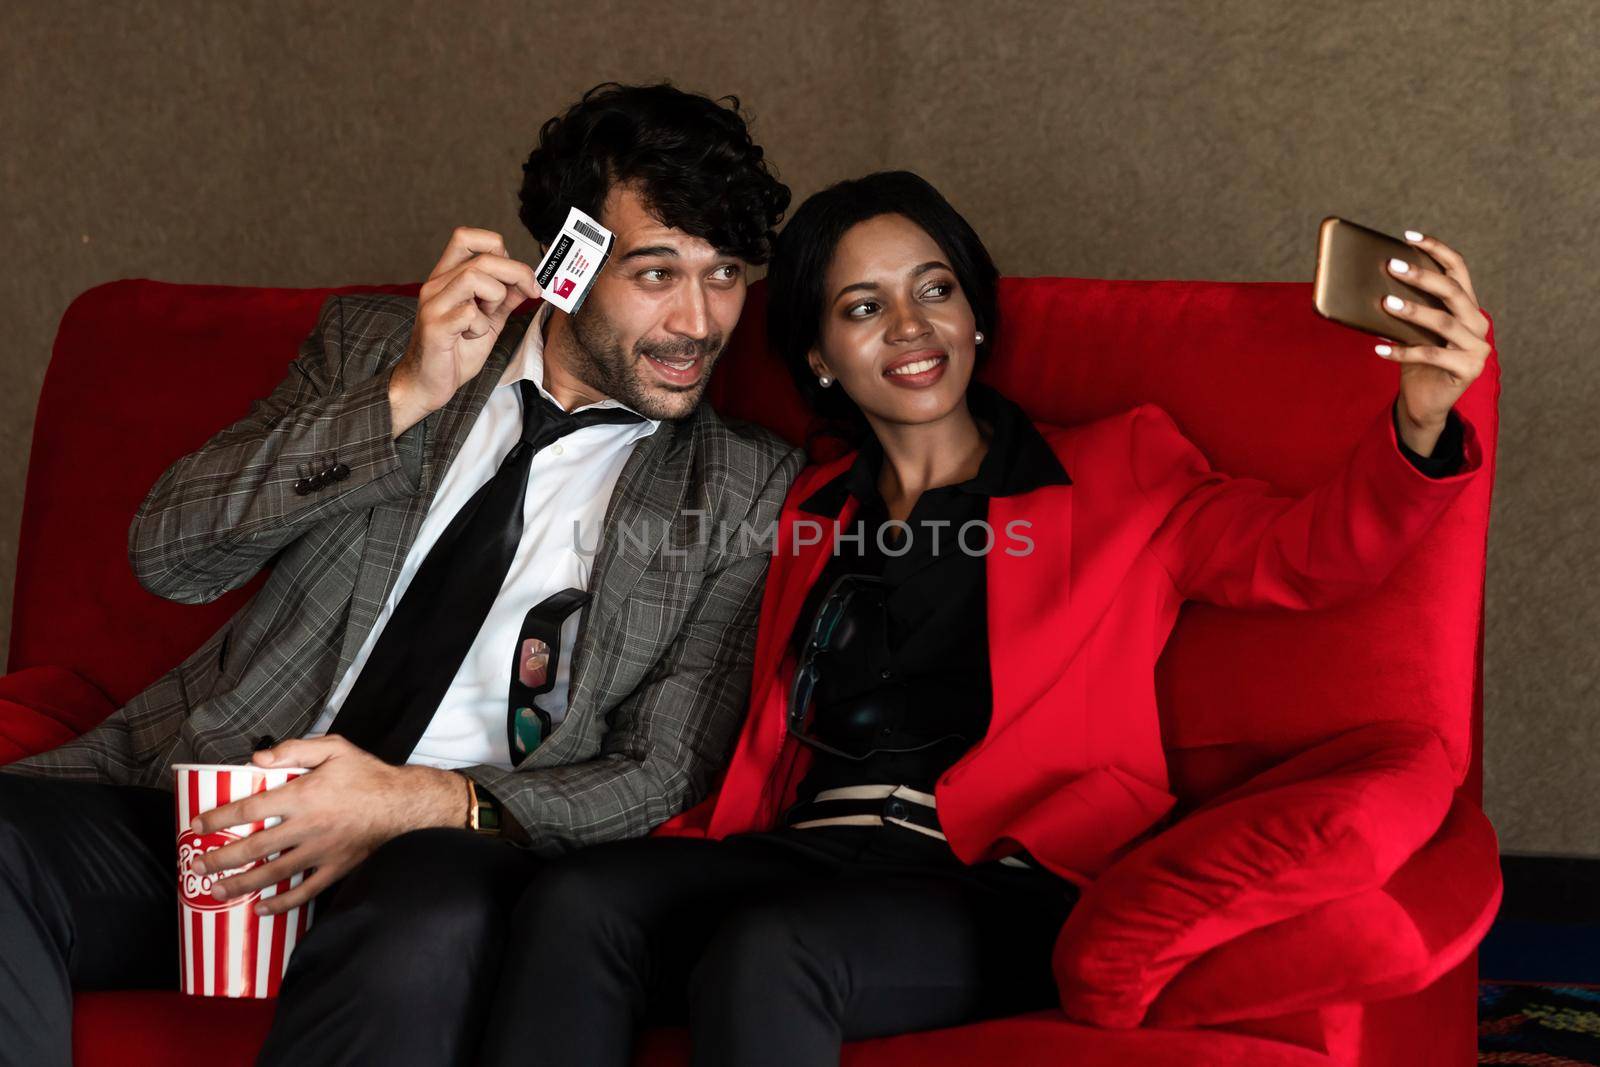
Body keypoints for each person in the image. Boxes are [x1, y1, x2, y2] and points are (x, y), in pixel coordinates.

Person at [475, 170, 1492, 1067]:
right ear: (820, 355)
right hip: (803, 852)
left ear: (975, 319)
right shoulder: (806, 507)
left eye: (935, 291)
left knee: (771, 946)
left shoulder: (1119, 469)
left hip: (1000, 875)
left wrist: (1420, 420)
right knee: (573, 904)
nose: (911, 328)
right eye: (863, 306)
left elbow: (1311, 557)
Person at [0, 81, 803, 1067]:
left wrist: (419, 802)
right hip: (217, 803)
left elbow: (666, 768)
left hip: (449, 847)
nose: (699, 319)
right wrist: (404, 397)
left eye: (724, 273)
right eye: (656, 271)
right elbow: (168, 554)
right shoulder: (377, 351)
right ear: (566, 264)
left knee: (431, 920)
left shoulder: (746, 486)